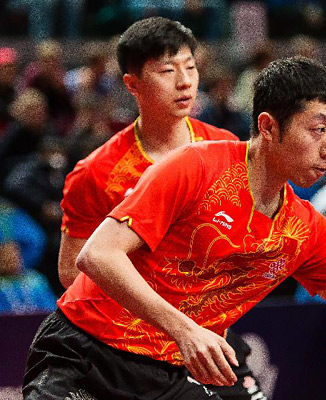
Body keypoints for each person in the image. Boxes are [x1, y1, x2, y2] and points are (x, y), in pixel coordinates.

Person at [23, 56, 326, 400]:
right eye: (317, 129)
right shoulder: (195, 168)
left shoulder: (304, 229)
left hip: (165, 376)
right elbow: (97, 256)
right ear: (268, 126)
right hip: (85, 353)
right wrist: (186, 331)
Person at [50, 17, 264, 400]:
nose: (184, 82)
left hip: (208, 339)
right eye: (167, 71)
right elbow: (71, 272)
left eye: (190, 67)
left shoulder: (228, 149)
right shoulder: (97, 173)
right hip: (131, 350)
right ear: (132, 84)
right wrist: (158, 311)